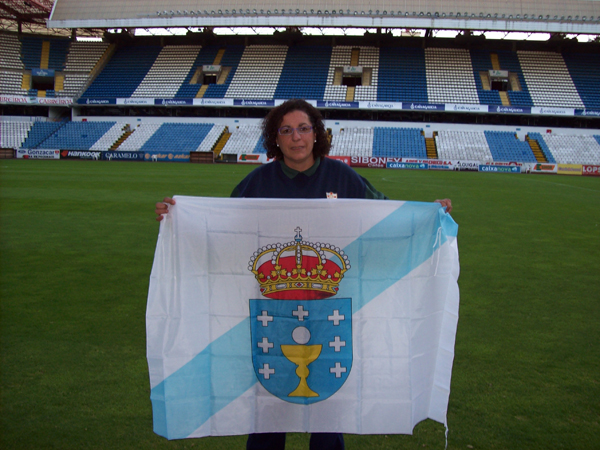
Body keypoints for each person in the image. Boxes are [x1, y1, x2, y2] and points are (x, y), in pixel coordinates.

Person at [154, 99, 452, 450]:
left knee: (328, 413)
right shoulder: (257, 183)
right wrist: (178, 218)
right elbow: (221, 231)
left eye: (303, 128)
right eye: (286, 130)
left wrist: (430, 216)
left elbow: (387, 218)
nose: (296, 137)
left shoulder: (343, 177)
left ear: (316, 133)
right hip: (272, 315)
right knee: (266, 411)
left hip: (329, 314)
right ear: (275, 138)